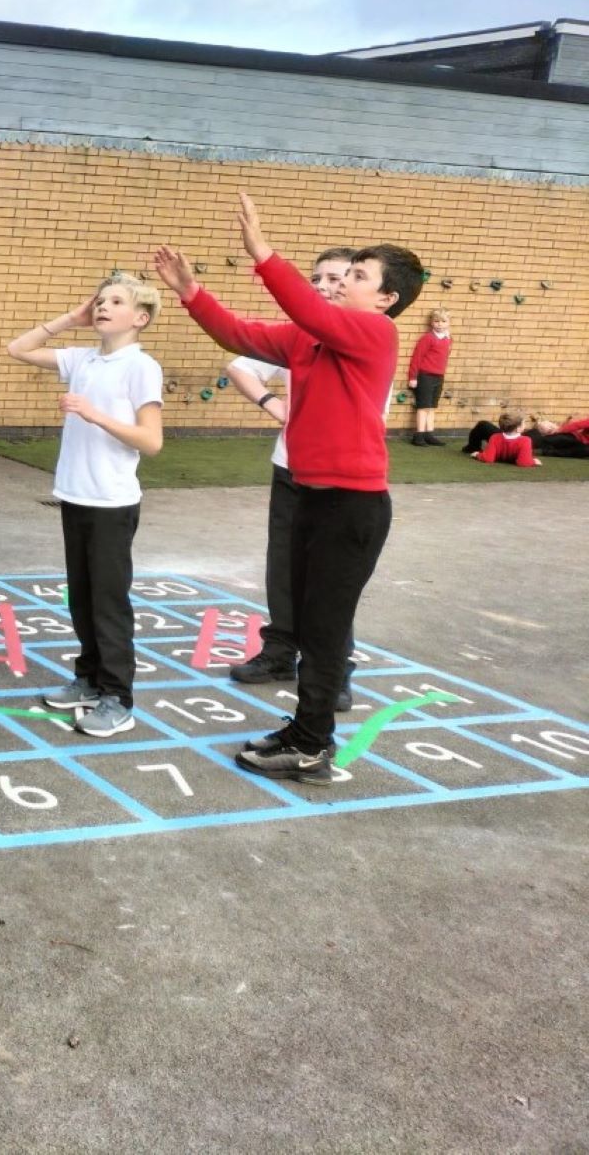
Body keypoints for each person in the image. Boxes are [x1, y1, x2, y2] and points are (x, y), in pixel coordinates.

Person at [154, 195, 424, 783]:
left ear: (386, 298)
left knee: (324, 633)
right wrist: (190, 292)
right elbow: (239, 334)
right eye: (339, 273)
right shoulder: (310, 341)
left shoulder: (375, 333)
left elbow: (307, 307)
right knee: (304, 622)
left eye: (355, 276)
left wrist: (263, 254)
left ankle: (312, 744)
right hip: (309, 495)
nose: (338, 283)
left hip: (353, 508)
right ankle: (304, 729)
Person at [7, 272, 164, 738]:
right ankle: (90, 680)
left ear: (140, 318)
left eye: (115, 301)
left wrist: (94, 414)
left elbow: (151, 441)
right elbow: (18, 348)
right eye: (99, 301)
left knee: (108, 603)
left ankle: (119, 697)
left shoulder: (141, 366)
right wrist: (68, 320)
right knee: (82, 598)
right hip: (75, 495)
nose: (102, 307)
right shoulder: (82, 359)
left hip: (112, 502)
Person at [224, 249, 360, 710]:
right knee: (282, 566)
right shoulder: (302, 335)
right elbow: (239, 364)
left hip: (340, 478)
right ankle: (281, 651)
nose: (323, 285)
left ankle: (336, 667)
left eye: (338, 277)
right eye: (316, 277)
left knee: (330, 578)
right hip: (290, 468)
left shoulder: (365, 338)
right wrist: (271, 403)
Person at [406, 309, 452, 445]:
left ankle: (429, 434)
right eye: (436, 321)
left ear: (449, 323)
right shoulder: (428, 338)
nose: (439, 324)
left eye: (443, 321)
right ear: (432, 323)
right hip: (425, 376)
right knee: (423, 406)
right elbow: (417, 358)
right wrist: (413, 377)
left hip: (439, 377)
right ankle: (419, 435)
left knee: (432, 407)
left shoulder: (448, 339)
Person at [475, 411, 542, 467]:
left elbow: (487, 458)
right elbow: (524, 463)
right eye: (524, 423)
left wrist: (477, 455)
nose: (525, 425)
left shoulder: (495, 437)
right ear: (518, 428)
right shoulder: (526, 440)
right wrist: (533, 461)